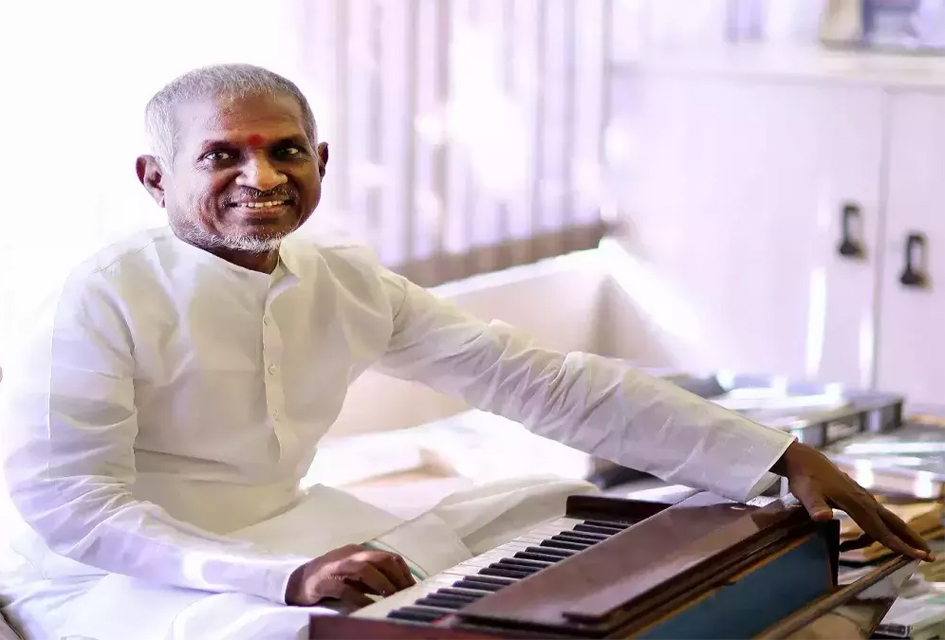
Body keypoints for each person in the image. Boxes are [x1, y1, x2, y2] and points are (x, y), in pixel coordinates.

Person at [0, 63, 932, 640]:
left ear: (321, 160)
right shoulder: (98, 298)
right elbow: (73, 508)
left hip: (293, 530)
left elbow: (540, 383)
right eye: (222, 157)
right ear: (154, 177)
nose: (263, 177)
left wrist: (778, 454)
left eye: (286, 151)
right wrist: (279, 578)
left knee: (560, 511)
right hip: (122, 576)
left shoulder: (344, 278)